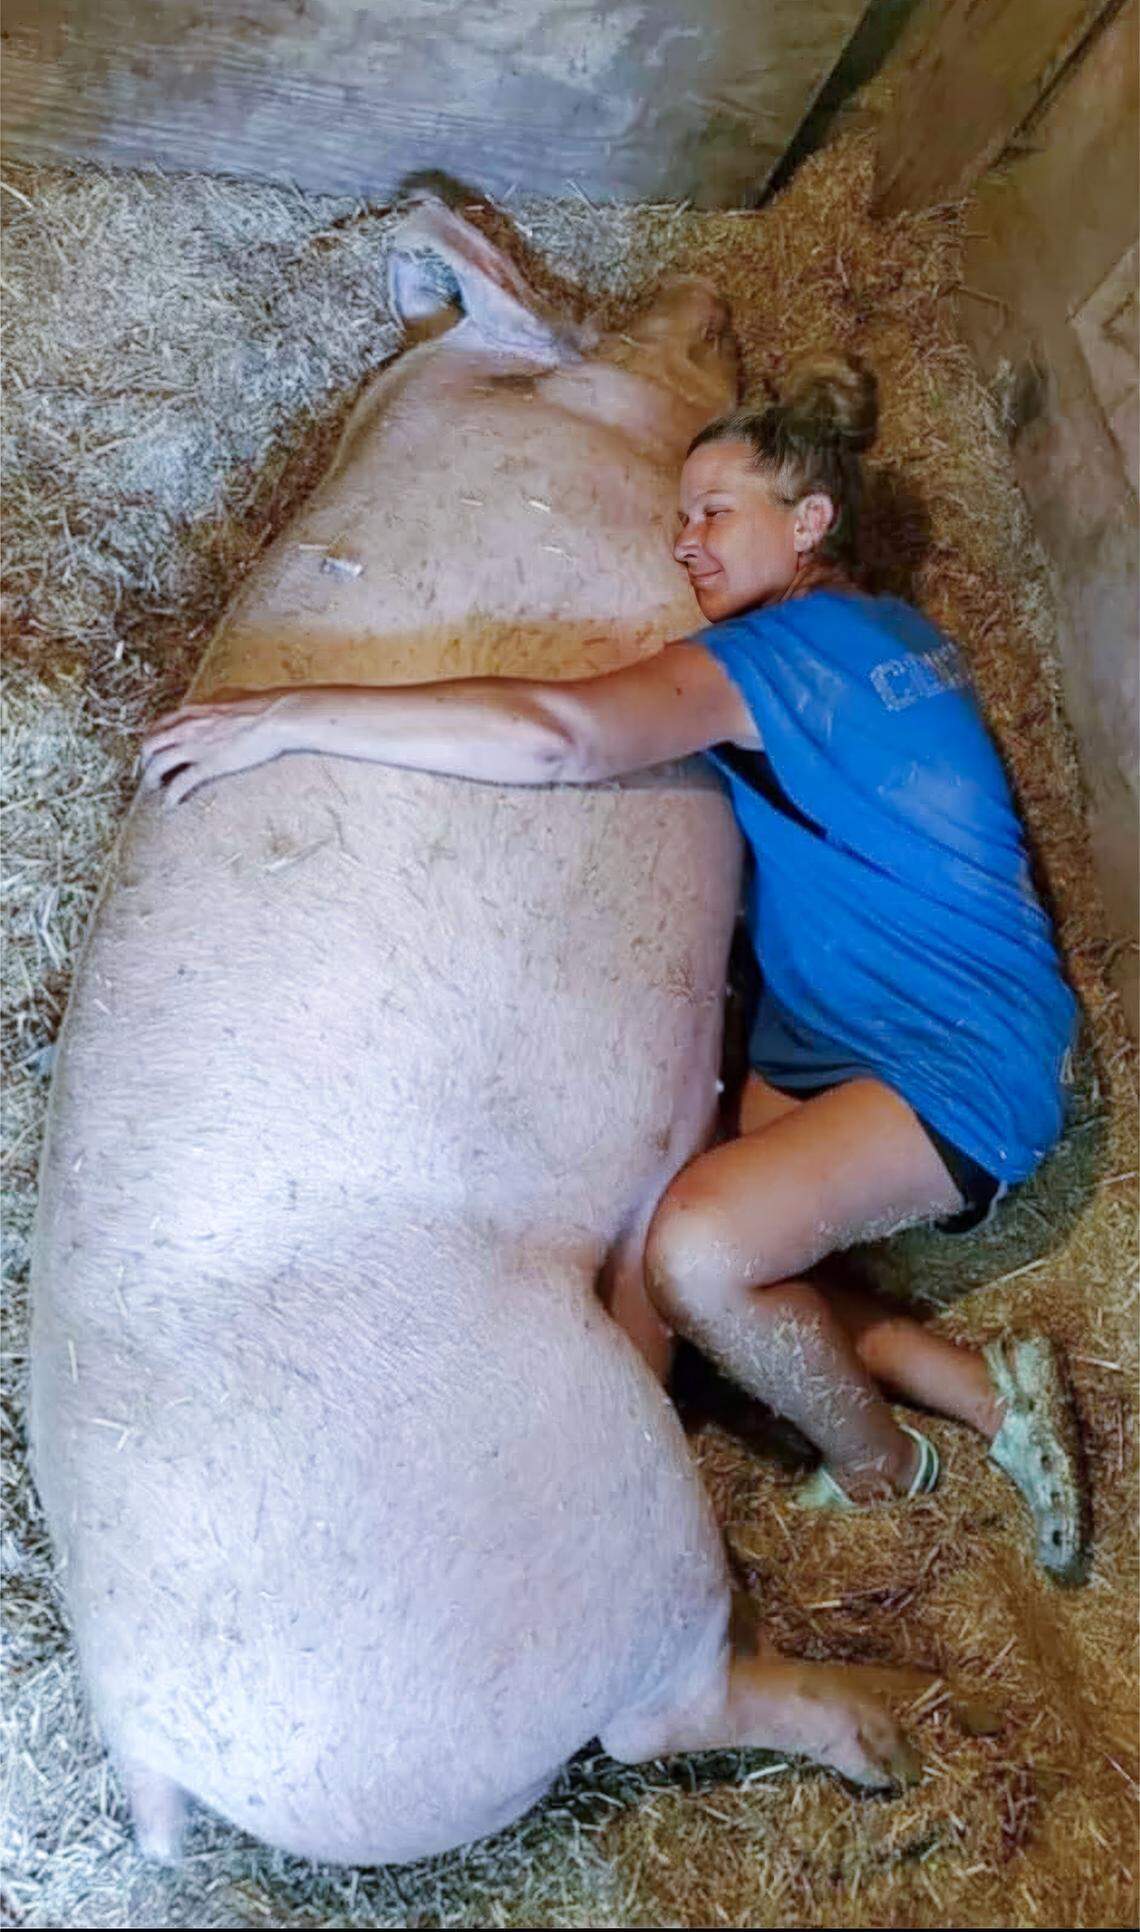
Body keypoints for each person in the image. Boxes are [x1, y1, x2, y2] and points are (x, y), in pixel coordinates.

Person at [141, 355, 1085, 1582]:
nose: (687, 543)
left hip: (972, 1055)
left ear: (810, 524)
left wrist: (287, 716)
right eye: (680, 516)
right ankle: (980, 1385)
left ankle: (885, 1469)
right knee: (689, 1249)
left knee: (700, 1255)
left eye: (716, 514)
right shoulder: (884, 631)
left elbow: (560, 737)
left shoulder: (784, 654)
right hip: (849, 1025)